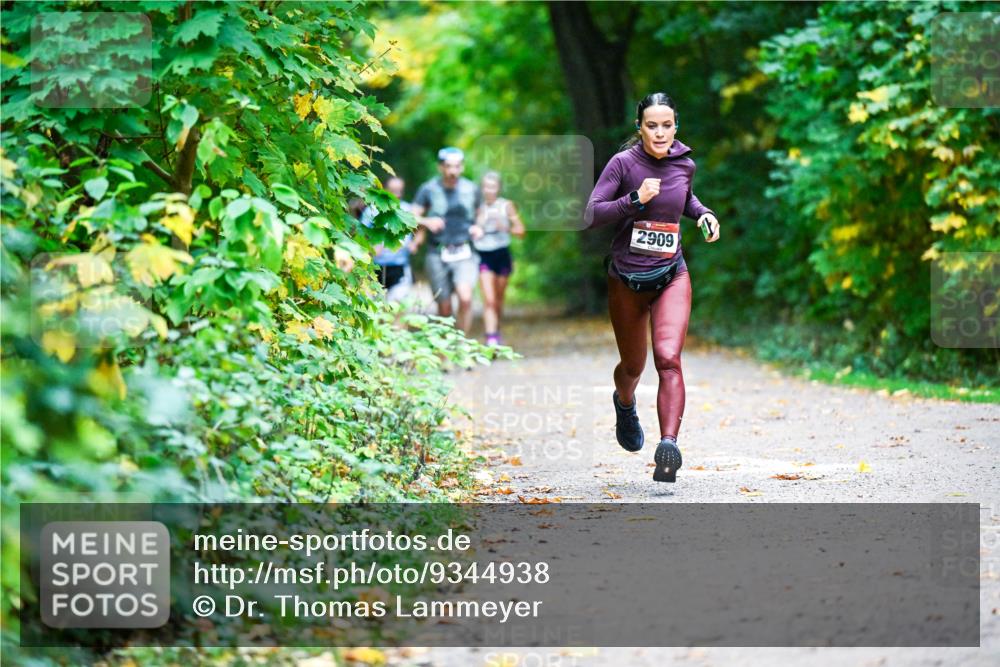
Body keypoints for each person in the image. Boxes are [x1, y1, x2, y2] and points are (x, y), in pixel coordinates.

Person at [585, 92, 720, 483]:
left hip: (671, 274)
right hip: (626, 279)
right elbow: (592, 213)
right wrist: (634, 199)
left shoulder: (685, 164)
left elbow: (685, 198)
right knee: (633, 367)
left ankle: (668, 447)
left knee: (668, 358)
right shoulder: (624, 164)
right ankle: (624, 403)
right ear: (639, 128)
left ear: (676, 126)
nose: (660, 133)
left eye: (667, 125)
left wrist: (703, 214)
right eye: (651, 126)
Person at [411, 147, 483, 333]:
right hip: (437, 252)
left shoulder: (471, 189)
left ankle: (461, 343)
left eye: (457, 166)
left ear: (462, 167)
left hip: (465, 251)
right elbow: (410, 216)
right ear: (440, 167)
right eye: (448, 166)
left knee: (465, 298)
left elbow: (482, 213)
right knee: (444, 307)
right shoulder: (428, 189)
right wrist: (427, 222)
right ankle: (446, 347)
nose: (452, 171)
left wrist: (479, 227)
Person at [474, 171, 525, 346]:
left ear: (499, 188)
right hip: (483, 255)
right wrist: (477, 227)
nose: (489, 190)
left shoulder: (506, 206)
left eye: (493, 187)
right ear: (482, 188)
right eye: (486, 187)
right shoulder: (477, 207)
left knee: (498, 299)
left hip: (502, 254)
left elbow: (521, 231)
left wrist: (506, 228)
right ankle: (491, 337)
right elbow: (468, 229)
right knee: (489, 299)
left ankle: (496, 330)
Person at [361, 175, 416, 302]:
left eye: (400, 191)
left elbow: (420, 226)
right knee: (376, 307)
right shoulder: (372, 210)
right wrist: (370, 247)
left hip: (399, 266)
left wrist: (415, 243)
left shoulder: (407, 209)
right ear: (385, 190)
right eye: (393, 191)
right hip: (375, 268)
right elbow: (360, 233)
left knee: (397, 305)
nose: (397, 194)